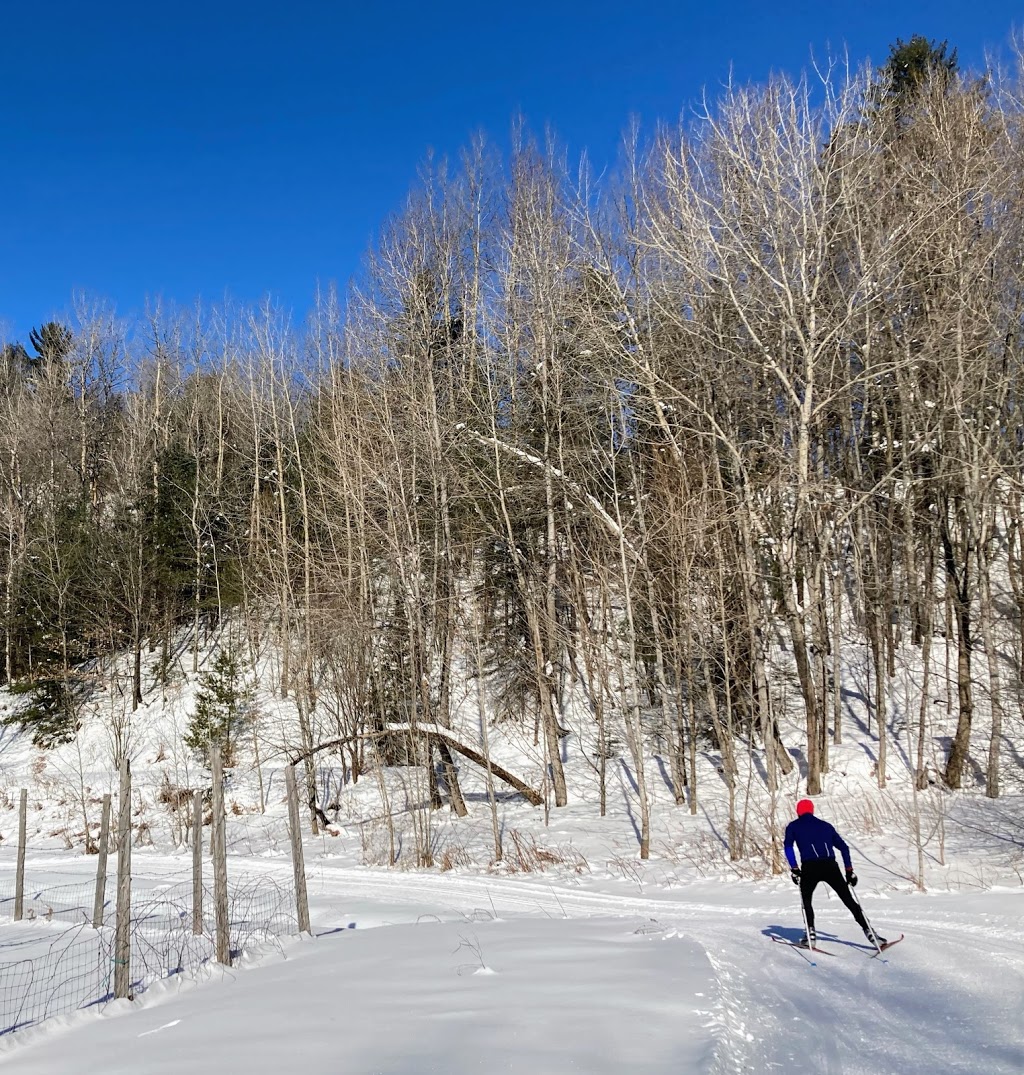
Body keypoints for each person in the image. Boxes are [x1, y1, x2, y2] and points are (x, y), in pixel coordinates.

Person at [784, 799, 886, 948]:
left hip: (809, 867)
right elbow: (844, 848)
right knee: (848, 900)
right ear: (812, 810)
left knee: (806, 901)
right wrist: (849, 871)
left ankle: (810, 935)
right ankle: (870, 932)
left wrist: (794, 869)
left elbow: (788, 847)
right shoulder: (826, 826)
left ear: (798, 812)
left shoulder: (793, 826)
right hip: (830, 866)